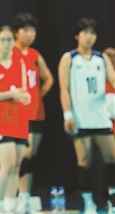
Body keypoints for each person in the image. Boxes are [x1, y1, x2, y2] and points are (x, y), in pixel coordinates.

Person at [58, 18, 115, 214]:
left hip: (101, 116)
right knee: (84, 161)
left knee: (112, 157)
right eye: (85, 33)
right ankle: (88, 202)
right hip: (80, 118)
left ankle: (112, 200)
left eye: (92, 33)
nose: (89, 37)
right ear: (77, 35)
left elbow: (113, 79)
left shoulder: (101, 58)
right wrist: (68, 115)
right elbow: (64, 89)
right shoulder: (69, 58)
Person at [0, 25, 32, 214]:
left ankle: (10, 205)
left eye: (10, 39)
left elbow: (23, 90)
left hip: (18, 120)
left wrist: (24, 96)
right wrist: (11, 93)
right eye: (3, 39)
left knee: (17, 166)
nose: (7, 43)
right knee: (7, 164)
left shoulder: (20, 63)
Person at [11, 13, 54, 214]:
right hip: (17, 114)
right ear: (16, 32)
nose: (30, 34)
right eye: (25, 30)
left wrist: (38, 94)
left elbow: (48, 78)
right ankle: (14, 196)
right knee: (22, 155)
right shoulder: (10, 54)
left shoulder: (35, 55)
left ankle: (25, 197)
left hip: (36, 112)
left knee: (30, 157)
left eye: (32, 30)